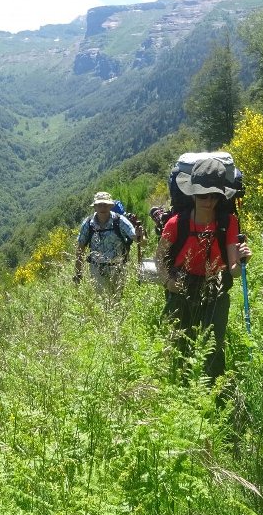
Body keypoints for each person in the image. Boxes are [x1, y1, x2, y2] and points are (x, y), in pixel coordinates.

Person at [154, 156, 251, 378]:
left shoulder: (228, 223)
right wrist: (169, 282)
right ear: (193, 193)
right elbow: (159, 258)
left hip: (215, 290)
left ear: (220, 196)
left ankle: (215, 393)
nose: (208, 200)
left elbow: (234, 270)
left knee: (213, 346)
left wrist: (244, 259)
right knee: (180, 345)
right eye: (202, 195)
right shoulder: (176, 222)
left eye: (214, 196)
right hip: (180, 289)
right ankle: (183, 389)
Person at [74, 191, 137, 294]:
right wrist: (78, 273)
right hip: (96, 269)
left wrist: (140, 236)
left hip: (118, 268)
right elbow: (80, 247)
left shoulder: (119, 220)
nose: (102, 207)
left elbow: (137, 238)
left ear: (110, 206)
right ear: (95, 207)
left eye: (105, 205)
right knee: (101, 301)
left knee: (117, 299)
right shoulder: (88, 223)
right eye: (99, 205)